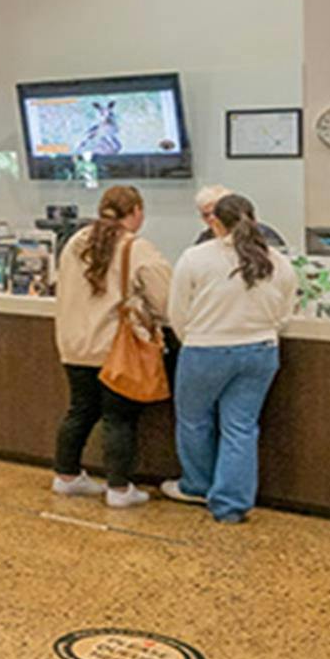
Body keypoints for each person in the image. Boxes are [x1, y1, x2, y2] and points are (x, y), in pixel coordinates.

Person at [163, 193, 297, 523]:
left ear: (215, 222)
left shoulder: (195, 258)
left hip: (205, 350)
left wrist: (192, 338)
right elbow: (284, 314)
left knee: (194, 421)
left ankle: (197, 486)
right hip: (261, 351)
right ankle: (231, 506)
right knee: (241, 427)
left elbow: (177, 312)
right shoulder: (278, 261)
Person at [51, 185, 173, 508]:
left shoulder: (74, 243)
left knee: (80, 410)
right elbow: (164, 299)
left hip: (75, 344)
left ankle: (66, 476)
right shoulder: (136, 248)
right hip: (115, 348)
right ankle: (119, 488)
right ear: (135, 212)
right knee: (118, 418)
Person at [192, 183, 285, 248]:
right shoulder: (204, 239)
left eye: (216, 212)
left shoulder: (263, 235)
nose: (212, 218)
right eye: (206, 215)